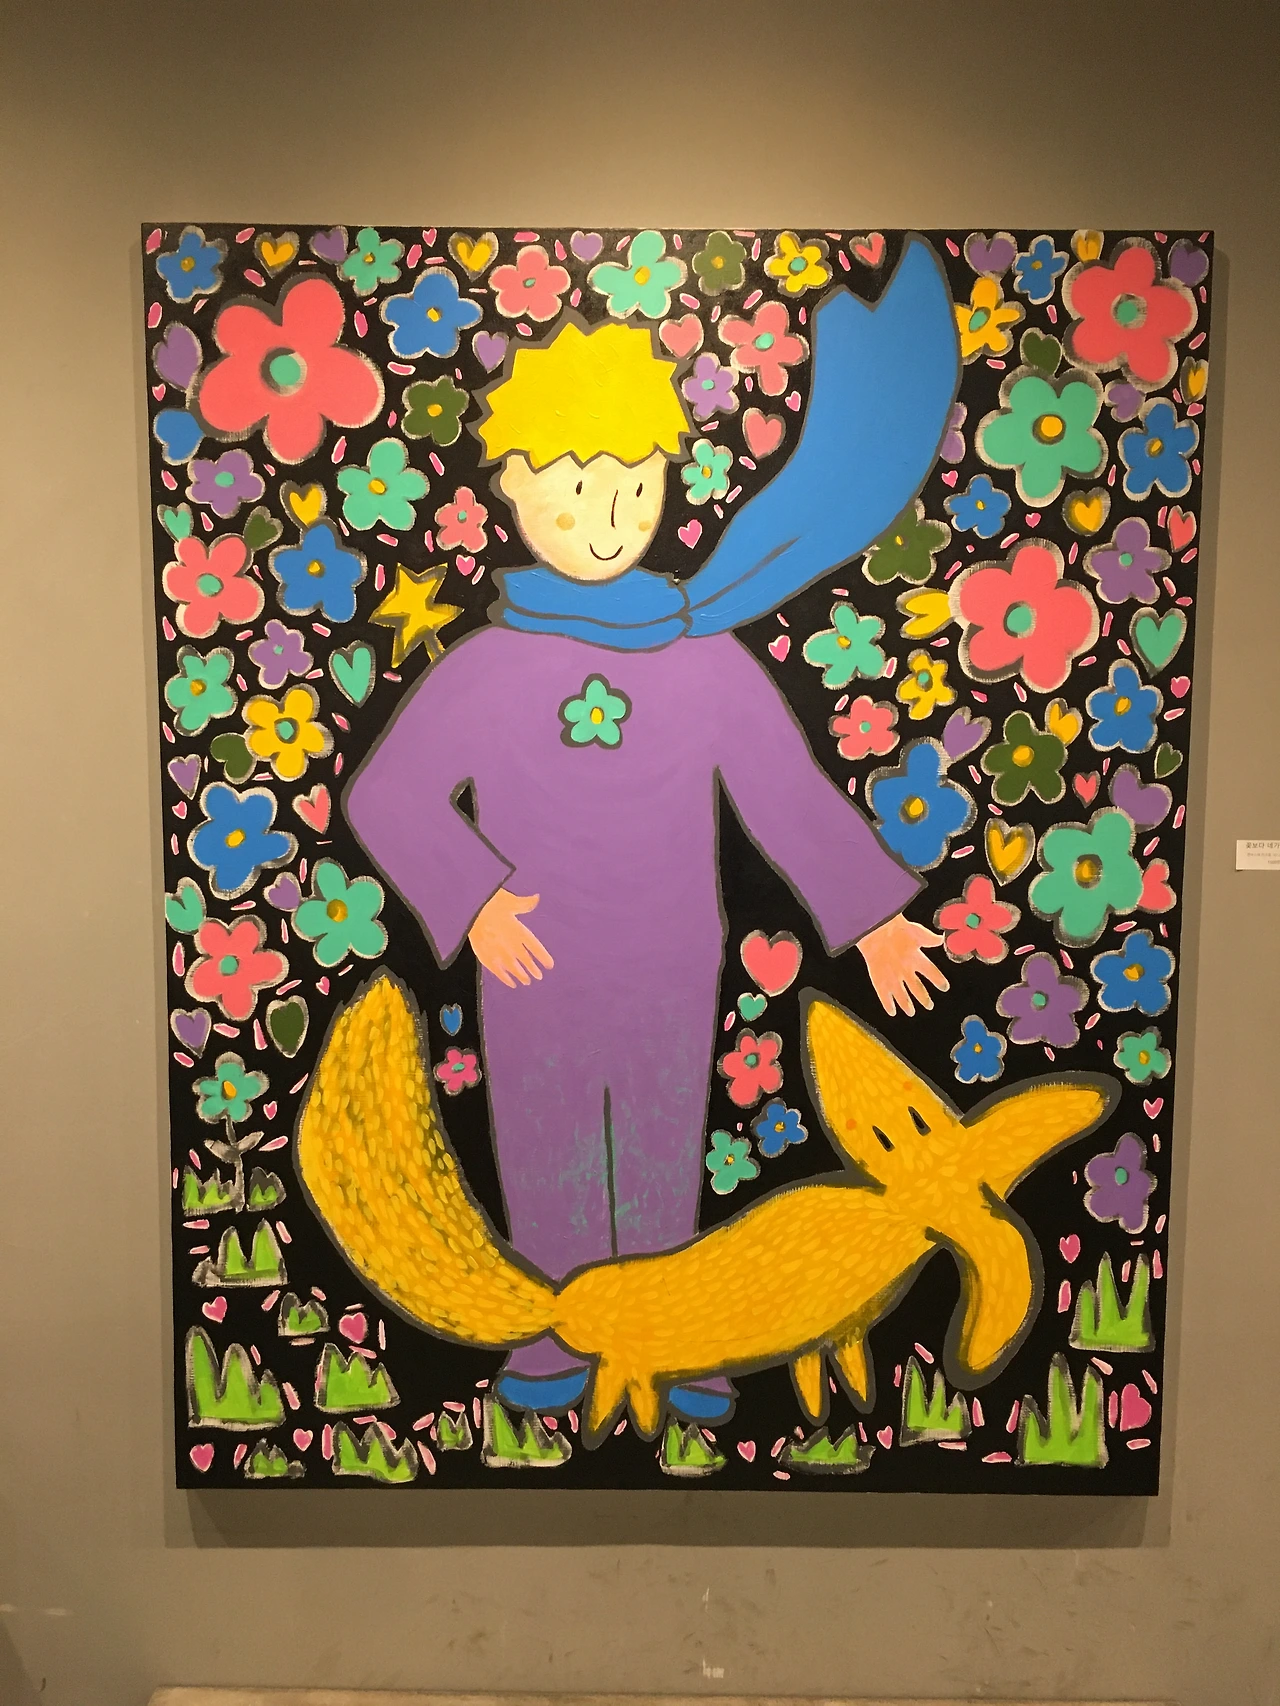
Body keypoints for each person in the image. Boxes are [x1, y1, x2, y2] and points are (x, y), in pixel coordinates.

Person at [345, 236, 960, 1420]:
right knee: (546, 1139)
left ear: (668, 488)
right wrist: (472, 897)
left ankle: (672, 1328)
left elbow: (784, 792)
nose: (605, 520)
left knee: (662, 1139)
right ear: (514, 491)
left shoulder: (702, 656)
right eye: (575, 492)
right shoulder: (487, 667)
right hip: (534, 956)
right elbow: (388, 794)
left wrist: (873, 916)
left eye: (632, 490)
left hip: (671, 955)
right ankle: (561, 1330)